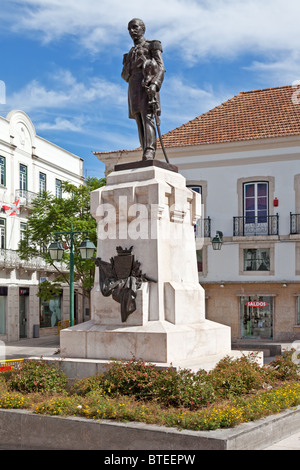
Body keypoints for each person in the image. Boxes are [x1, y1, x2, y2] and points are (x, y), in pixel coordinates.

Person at [121, 18, 165, 160]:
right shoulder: (128, 54)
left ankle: (150, 151)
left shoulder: (152, 45)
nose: (132, 31)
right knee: (139, 119)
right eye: (129, 29)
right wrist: (132, 65)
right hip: (133, 87)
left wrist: (155, 84)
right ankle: (144, 150)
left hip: (147, 85)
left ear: (142, 29)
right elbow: (124, 75)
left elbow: (161, 67)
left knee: (148, 117)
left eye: (135, 27)